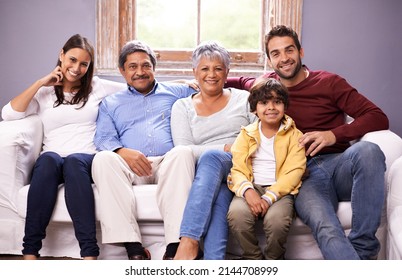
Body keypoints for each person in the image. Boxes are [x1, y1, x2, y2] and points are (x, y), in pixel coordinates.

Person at [225, 25, 389, 260]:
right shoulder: (268, 88)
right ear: (270, 60)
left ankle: (363, 250)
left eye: (289, 50)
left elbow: (378, 116)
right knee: (326, 227)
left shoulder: (329, 82)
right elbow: (239, 81)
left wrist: (333, 134)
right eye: (276, 54)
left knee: (369, 150)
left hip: (338, 163)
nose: (284, 59)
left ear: (301, 52)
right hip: (303, 175)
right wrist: (193, 83)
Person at [1, 34, 126, 260]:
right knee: (48, 159)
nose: (77, 68)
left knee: (73, 161)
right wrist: (41, 82)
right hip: (55, 158)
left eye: (84, 64)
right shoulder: (46, 91)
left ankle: (89, 254)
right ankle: (30, 253)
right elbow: (9, 114)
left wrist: (182, 85)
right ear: (61, 55)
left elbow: (135, 85)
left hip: (86, 159)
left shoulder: (97, 86)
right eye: (72, 60)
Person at [91, 40, 197, 260]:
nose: (140, 72)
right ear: (122, 71)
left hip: (167, 163)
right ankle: (132, 246)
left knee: (183, 152)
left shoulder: (177, 91)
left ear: (154, 68)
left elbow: (211, 86)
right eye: (132, 67)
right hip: (130, 166)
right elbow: (103, 138)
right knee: (102, 159)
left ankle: (175, 247)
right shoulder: (111, 103)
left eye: (146, 65)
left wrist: (249, 83)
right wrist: (122, 152)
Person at [171, 41, 257, 260]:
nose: (212, 74)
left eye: (218, 68)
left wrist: (233, 151)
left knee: (211, 157)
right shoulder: (182, 106)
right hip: (207, 175)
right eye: (205, 69)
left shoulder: (244, 99)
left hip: (240, 163)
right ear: (194, 73)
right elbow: (183, 149)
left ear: (227, 72)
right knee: (218, 194)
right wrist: (223, 147)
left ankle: (189, 241)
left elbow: (260, 134)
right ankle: (214, 263)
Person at [227, 77, 306, 260]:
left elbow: (295, 171)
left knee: (277, 221)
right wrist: (248, 192)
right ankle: (253, 258)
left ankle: (274, 259)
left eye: (277, 102)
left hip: (280, 190)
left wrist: (269, 197)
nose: (271, 107)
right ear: (255, 109)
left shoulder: (295, 136)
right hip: (251, 187)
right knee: (237, 215)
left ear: (285, 107)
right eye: (264, 102)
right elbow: (237, 168)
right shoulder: (245, 135)